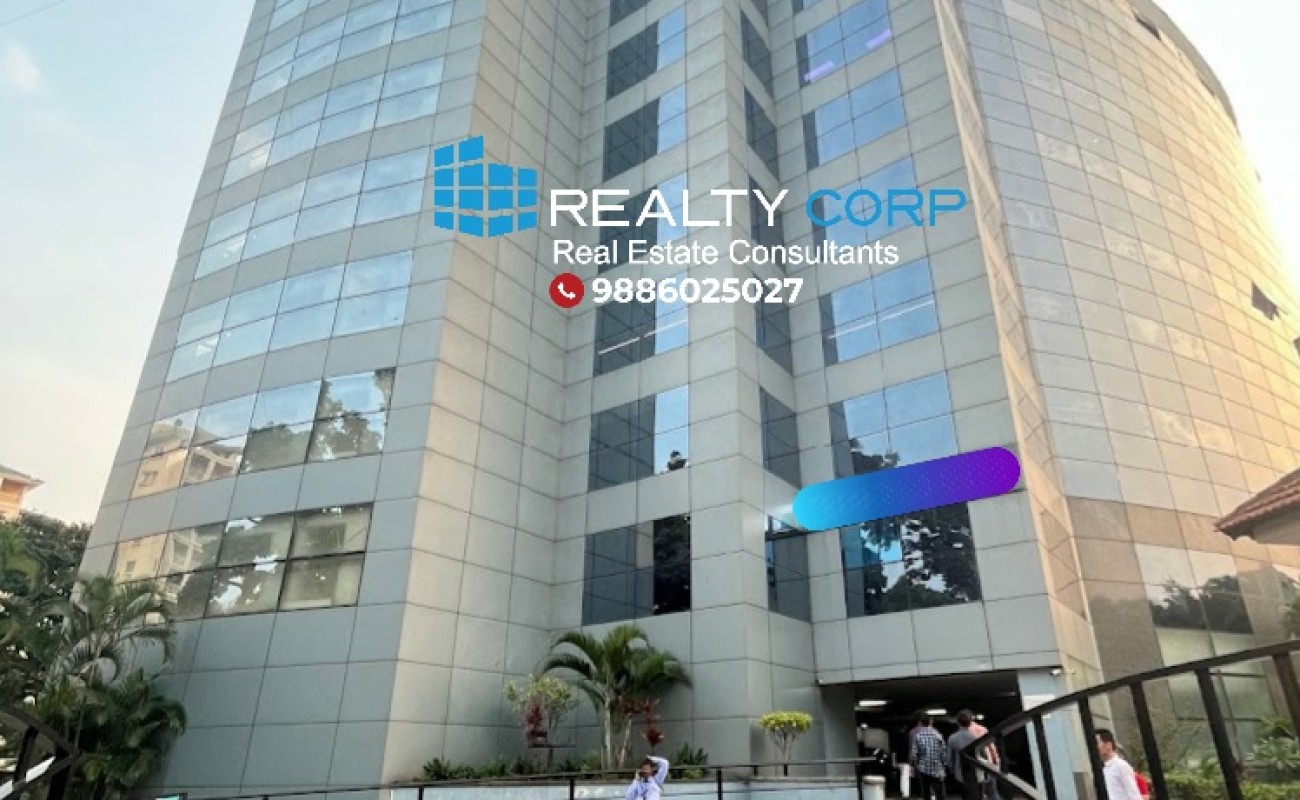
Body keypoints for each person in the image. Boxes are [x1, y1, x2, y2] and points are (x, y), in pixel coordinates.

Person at [946, 711, 986, 798]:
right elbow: (984, 755)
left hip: (960, 774)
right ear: (970, 722)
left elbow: (949, 759)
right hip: (977, 774)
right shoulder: (976, 737)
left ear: (958, 722)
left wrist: (953, 771)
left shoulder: (952, 738)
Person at [1095, 729, 1142, 800]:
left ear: (1108, 745)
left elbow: (1134, 795)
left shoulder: (1121, 766)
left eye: (1097, 743)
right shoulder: (1102, 769)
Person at [911, 715, 947, 800]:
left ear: (921, 723)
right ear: (931, 722)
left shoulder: (918, 736)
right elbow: (943, 753)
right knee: (939, 794)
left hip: (923, 769)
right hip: (937, 769)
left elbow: (914, 754)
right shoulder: (938, 735)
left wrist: (917, 766)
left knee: (926, 794)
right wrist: (943, 766)